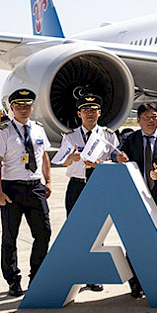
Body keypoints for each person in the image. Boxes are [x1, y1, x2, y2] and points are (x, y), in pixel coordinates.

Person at [0, 88, 52, 297]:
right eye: (19, 106)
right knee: (10, 237)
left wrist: (48, 181)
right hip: (11, 189)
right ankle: (12, 279)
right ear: (11, 108)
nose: (23, 109)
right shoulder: (4, 131)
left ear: (33, 107)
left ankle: (38, 276)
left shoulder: (39, 130)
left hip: (35, 187)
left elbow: (44, 157)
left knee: (43, 233)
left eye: (27, 106)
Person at [54, 94, 120, 291]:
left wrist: (100, 163)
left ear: (99, 113)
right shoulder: (70, 136)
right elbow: (61, 161)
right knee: (74, 231)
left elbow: (116, 159)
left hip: (98, 184)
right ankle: (74, 272)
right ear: (79, 113)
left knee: (97, 231)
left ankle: (93, 275)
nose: (90, 114)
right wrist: (71, 159)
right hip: (77, 185)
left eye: (93, 110)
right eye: (86, 110)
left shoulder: (108, 135)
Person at [116, 102, 157, 298]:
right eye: (146, 118)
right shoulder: (130, 140)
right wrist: (118, 157)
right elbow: (117, 154)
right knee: (135, 241)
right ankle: (135, 282)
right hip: (135, 198)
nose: (151, 121)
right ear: (138, 120)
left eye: (154, 117)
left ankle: (154, 279)